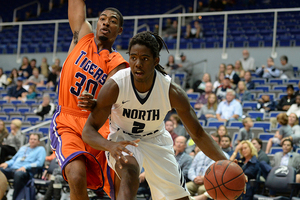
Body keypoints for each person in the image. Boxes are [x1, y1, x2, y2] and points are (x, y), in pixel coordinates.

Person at [82, 31, 228, 200]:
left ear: (156, 61)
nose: (138, 63)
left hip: (156, 140)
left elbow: (198, 134)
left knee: (180, 198)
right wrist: (109, 145)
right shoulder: (115, 85)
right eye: (134, 57)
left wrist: (226, 162)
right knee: (130, 173)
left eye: (144, 58)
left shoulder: (170, 90)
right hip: (123, 139)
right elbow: (88, 131)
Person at [49, 2, 129, 200]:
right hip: (68, 120)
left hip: (97, 125)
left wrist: (96, 103)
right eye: (102, 19)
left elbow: (109, 100)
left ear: (118, 30)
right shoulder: (83, 36)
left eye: (112, 21)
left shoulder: (117, 63)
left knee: (122, 180)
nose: (105, 23)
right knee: (76, 175)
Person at [0, 133, 46, 200]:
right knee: (0, 171)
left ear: (38, 141)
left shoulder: (41, 149)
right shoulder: (23, 148)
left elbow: (39, 163)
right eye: (31, 139)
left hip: (25, 171)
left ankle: (15, 197)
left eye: (35, 139)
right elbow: (13, 159)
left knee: (18, 174)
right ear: (29, 140)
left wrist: (26, 167)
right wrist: (6, 163)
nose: (32, 141)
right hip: (12, 169)